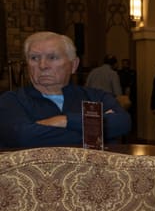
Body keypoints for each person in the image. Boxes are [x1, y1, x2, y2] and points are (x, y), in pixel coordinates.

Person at [0, 31, 131, 148]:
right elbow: (22, 137)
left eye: (52, 57)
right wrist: (98, 134)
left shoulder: (96, 97)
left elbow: (122, 123)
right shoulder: (12, 100)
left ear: (73, 65)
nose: (42, 65)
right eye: (34, 58)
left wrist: (64, 120)